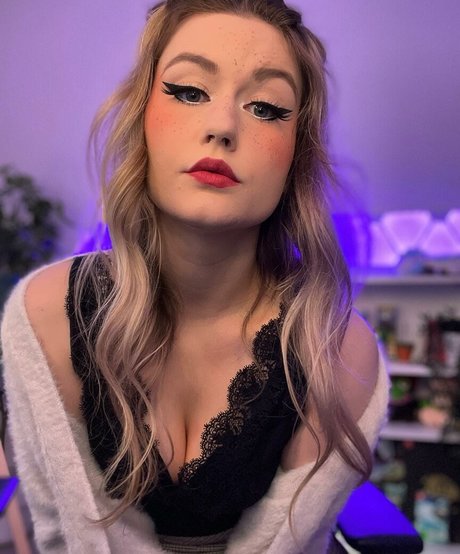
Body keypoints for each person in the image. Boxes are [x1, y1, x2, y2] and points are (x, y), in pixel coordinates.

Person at [1, 1, 389, 552]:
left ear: (296, 155)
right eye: (188, 91)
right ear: (141, 116)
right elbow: (67, 534)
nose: (222, 126)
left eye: (266, 107)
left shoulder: (340, 352)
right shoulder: (45, 314)